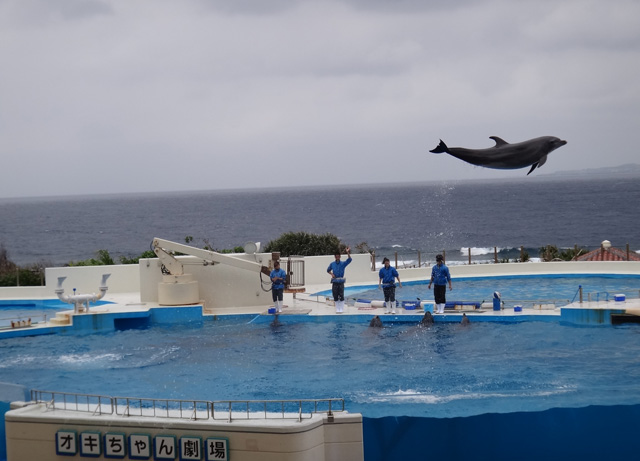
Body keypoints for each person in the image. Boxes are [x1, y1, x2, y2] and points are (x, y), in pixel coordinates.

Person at [327, 247, 351, 313]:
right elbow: (328, 270)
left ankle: (341, 309)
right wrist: (331, 274)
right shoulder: (332, 264)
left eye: (338, 256)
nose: (337, 257)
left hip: (341, 281)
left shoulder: (343, 264)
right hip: (335, 281)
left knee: (341, 295)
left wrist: (347, 252)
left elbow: (349, 260)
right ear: (335, 257)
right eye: (336, 256)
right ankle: (337, 309)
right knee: (335, 295)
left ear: (340, 257)